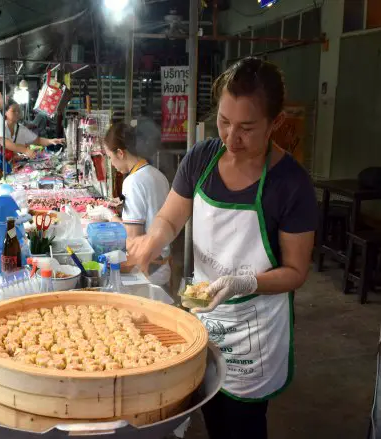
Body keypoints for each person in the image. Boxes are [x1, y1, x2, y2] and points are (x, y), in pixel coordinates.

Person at [128, 57, 317, 439]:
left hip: (255, 331)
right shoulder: (203, 157)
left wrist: (244, 282)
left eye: (246, 128)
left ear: (275, 122)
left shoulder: (291, 184)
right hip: (204, 315)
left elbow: (296, 272)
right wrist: (153, 240)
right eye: (224, 122)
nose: (231, 139)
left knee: (241, 426)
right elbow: (171, 217)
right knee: (209, 414)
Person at [101, 122, 171, 287]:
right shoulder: (157, 174)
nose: (111, 164)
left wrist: (108, 216)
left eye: (110, 157)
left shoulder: (133, 182)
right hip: (162, 263)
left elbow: (132, 236)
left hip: (147, 271)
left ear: (120, 153)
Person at [4, 101, 65, 169]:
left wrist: (51, 141)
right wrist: (25, 151)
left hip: (11, 166)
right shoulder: (2, 127)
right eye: (13, 111)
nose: (17, 113)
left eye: (18, 111)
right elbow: (6, 144)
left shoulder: (20, 128)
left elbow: (37, 140)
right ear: (5, 112)